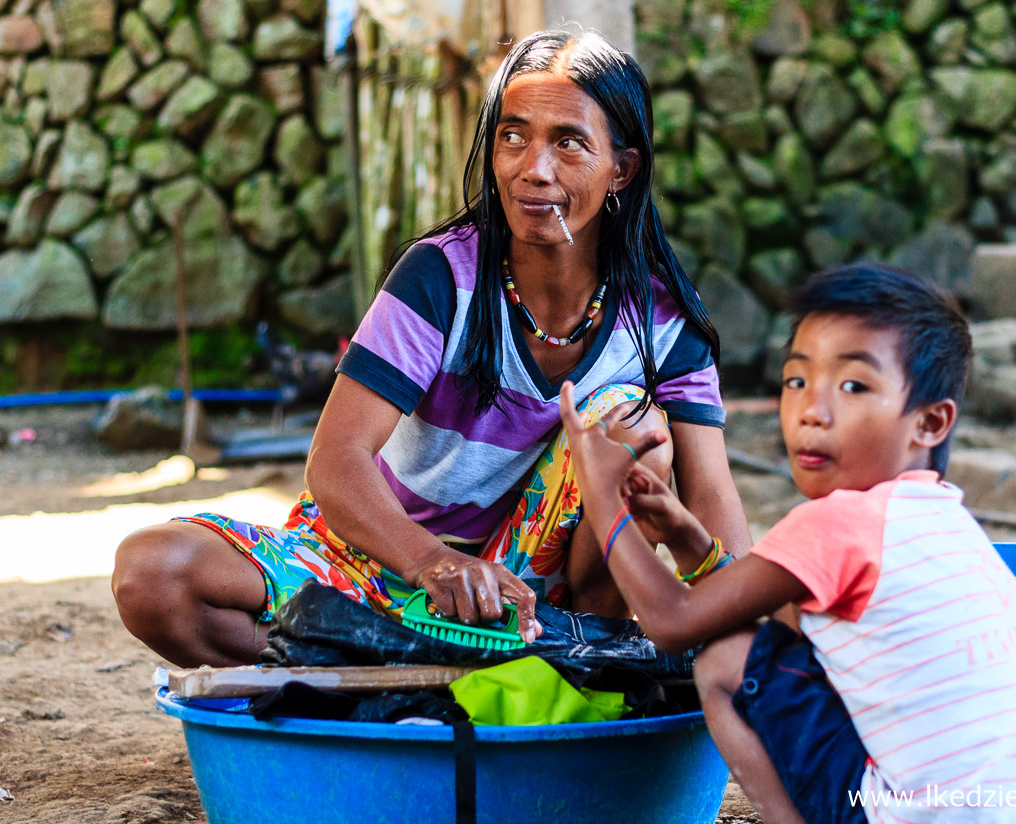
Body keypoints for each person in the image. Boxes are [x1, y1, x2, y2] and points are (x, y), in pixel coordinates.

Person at [111, 29, 751, 668]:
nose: (534, 167)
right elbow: (335, 463)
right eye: (512, 136)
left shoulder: (662, 316)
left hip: (524, 596)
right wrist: (431, 563)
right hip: (374, 561)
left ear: (623, 169)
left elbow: (712, 496)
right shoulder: (441, 277)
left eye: (569, 142)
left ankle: (573, 648)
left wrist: (752, 634)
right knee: (154, 575)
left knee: (636, 432)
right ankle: (398, 664)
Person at [558, 263, 1016, 823]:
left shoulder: (840, 523)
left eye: (853, 385)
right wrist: (686, 535)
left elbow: (674, 621)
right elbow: (760, 602)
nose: (811, 411)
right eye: (796, 381)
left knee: (725, 661)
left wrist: (601, 491)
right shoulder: (940, 518)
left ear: (929, 423)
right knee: (786, 633)